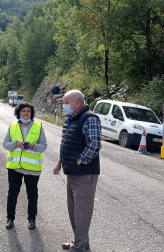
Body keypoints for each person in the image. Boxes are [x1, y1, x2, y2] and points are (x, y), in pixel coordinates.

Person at [53, 90, 102, 252]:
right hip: (71, 172)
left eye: (66, 103)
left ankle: (79, 247)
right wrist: (60, 163)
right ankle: (81, 243)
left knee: (82, 213)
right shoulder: (70, 120)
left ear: (77, 103)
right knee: (74, 211)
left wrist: (79, 161)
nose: (64, 106)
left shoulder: (89, 118)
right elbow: (64, 144)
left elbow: (94, 145)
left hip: (84, 174)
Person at [2, 102, 47, 230]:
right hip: (15, 166)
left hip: (32, 168)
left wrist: (33, 146)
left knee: (32, 194)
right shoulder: (12, 126)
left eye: (28, 111)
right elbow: (5, 144)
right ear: (19, 113)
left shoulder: (38, 127)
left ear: (31, 113)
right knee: (12, 193)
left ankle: (32, 219)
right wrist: (15, 143)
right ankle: (10, 218)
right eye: (23, 111)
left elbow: (43, 146)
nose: (26, 113)